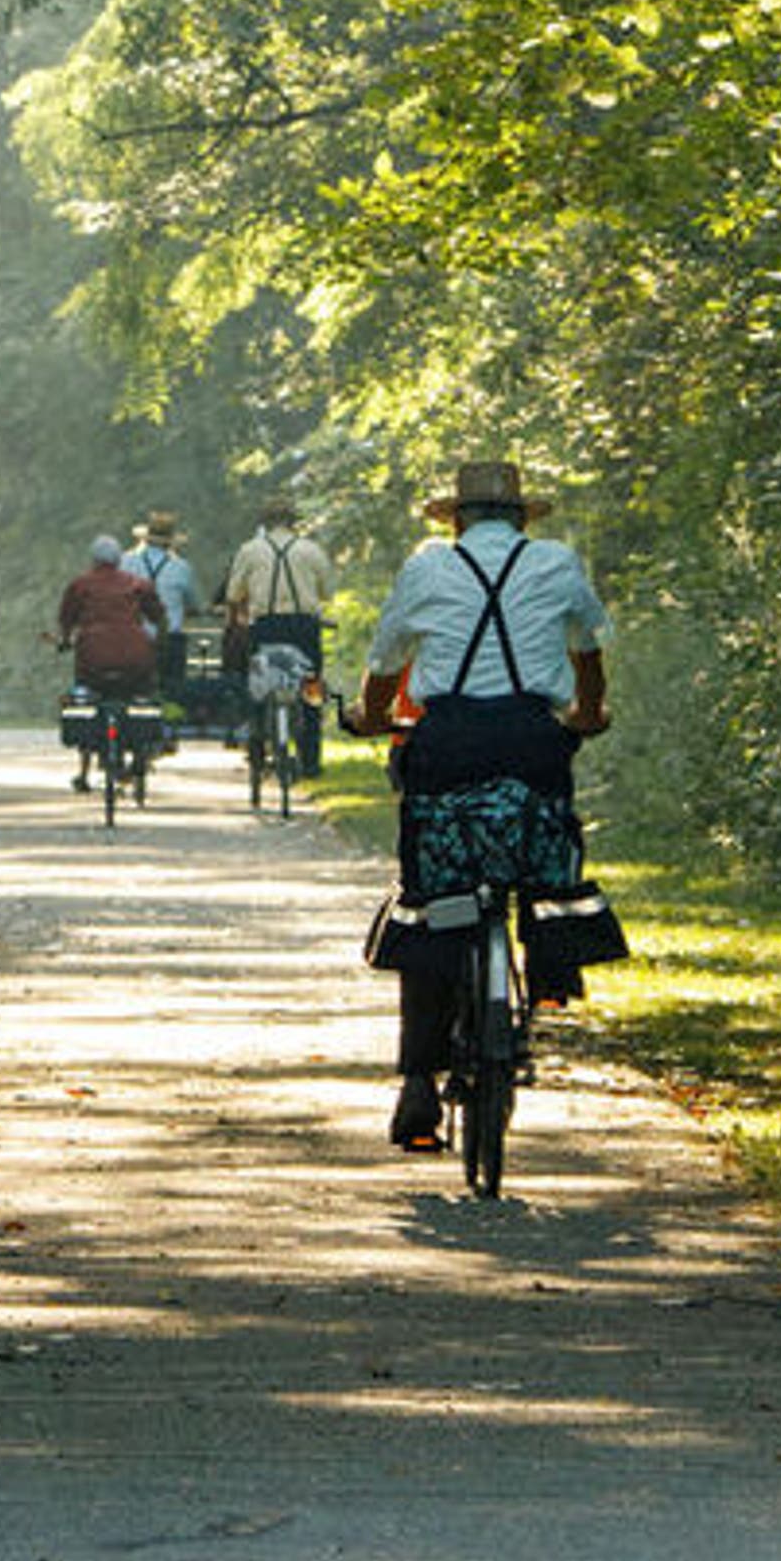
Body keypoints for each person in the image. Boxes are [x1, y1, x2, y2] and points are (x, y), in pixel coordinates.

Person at [347, 461, 611, 1152]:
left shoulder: (428, 568)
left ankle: (415, 1085)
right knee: (546, 843)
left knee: (432, 902)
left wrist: (373, 719)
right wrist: (586, 714)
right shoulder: (555, 563)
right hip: (533, 741)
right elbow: (587, 652)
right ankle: (553, 970)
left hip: (447, 744)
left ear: (457, 519)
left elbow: (384, 665)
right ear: (522, 517)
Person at [222, 494, 335, 777]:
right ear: (293, 521)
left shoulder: (250, 550)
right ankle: (311, 760)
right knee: (311, 687)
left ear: (265, 521)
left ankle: (257, 749)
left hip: (267, 625)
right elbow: (327, 592)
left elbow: (233, 593)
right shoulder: (310, 550)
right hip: (303, 625)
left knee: (259, 686)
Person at [51, 534, 167, 791]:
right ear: (119, 560)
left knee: (89, 701)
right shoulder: (138, 584)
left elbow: (66, 622)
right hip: (135, 660)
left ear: (93, 559)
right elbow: (158, 617)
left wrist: (64, 642)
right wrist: (157, 643)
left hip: (93, 661)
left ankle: (83, 770)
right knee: (141, 695)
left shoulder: (80, 586)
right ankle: (140, 756)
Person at [126, 509, 197, 699]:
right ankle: (172, 712)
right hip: (170, 641)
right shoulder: (181, 567)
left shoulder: (127, 562)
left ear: (146, 539)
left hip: (135, 638)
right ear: (171, 542)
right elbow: (192, 604)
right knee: (173, 689)